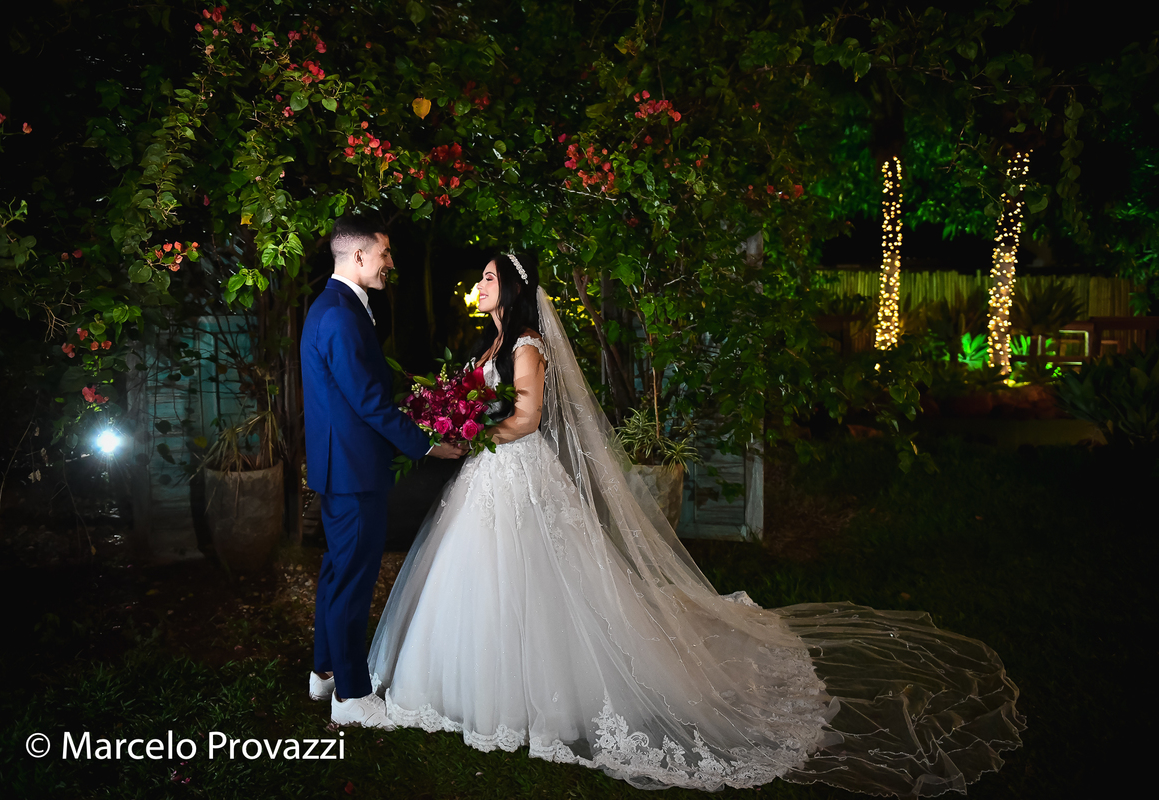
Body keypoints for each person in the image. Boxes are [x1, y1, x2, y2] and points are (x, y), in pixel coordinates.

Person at [364, 251, 1025, 794]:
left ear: (511, 288)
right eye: (481, 277)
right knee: (485, 579)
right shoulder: (491, 342)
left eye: (488, 277)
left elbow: (530, 418)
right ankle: (470, 685)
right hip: (490, 475)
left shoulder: (527, 345)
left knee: (537, 578)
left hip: (516, 471)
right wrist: (454, 420)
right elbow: (483, 405)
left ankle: (540, 690)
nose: (480, 285)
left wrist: (475, 434)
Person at [300, 216, 464, 729]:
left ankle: (325, 671)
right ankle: (351, 696)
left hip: (343, 466)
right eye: (385, 253)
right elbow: (369, 401)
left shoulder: (338, 306)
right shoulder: (340, 315)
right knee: (352, 582)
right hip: (352, 471)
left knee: (338, 572)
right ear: (359, 256)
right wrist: (427, 444)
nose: (391, 262)